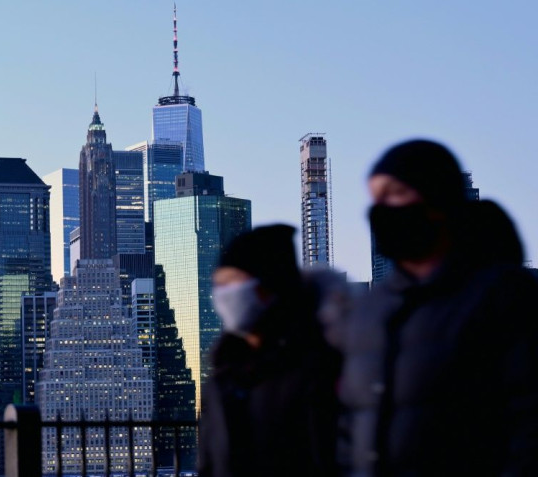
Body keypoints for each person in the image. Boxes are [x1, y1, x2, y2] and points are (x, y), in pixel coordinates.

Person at [339, 139, 538, 475]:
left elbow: (529, 423)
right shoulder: (368, 311)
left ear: (438, 200)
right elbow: (350, 424)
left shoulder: (506, 295)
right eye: (375, 198)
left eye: (395, 193)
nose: (381, 209)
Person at [198, 224, 340, 477]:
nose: (223, 295)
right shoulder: (223, 375)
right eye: (219, 285)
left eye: (234, 283)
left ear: (270, 286)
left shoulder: (321, 365)